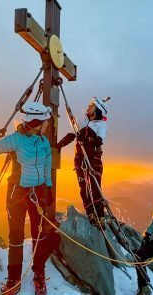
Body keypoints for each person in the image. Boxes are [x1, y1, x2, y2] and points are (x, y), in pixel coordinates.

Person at [0, 101, 53, 295]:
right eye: (45, 122)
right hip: (17, 194)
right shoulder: (16, 140)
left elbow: (47, 166)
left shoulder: (44, 141)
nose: (48, 125)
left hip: (38, 192)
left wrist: (48, 189)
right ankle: (14, 279)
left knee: (39, 234)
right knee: (15, 237)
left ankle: (38, 274)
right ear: (36, 122)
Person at [56, 97, 108, 228]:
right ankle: (90, 212)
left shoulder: (101, 125)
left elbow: (99, 140)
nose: (88, 107)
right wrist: (60, 144)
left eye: (91, 106)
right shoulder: (83, 120)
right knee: (83, 187)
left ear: (97, 110)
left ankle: (100, 215)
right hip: (80, 158)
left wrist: (85, 135)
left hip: (93, 159)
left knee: (95, 187)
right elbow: (73, 134)